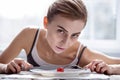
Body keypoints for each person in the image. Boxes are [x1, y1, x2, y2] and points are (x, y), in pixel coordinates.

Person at [0, 0, 120, 74]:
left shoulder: (81, 53)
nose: (66, 42)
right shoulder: (29, 36)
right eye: (60, 31)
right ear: (46, 22)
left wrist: (111, 69)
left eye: (75, 35)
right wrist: (6, 67)